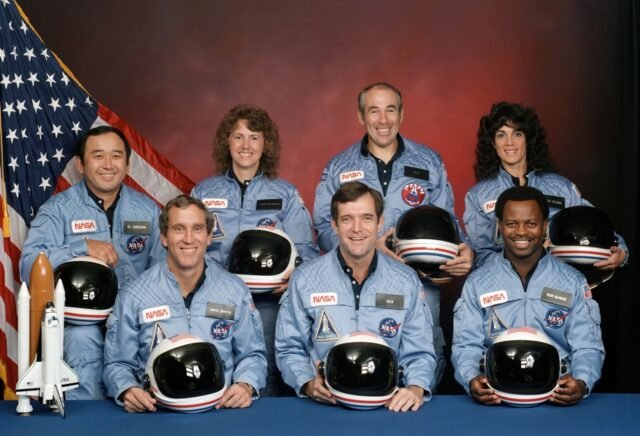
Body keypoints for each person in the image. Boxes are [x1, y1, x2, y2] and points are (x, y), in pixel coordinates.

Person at [313, 82, 473, 386]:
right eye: (374, 111)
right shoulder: (338, 166)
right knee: (363, 365)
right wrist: (368, 247)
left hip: (419, 282)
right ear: (361, 116)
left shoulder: (429, 161)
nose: (383, 120)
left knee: (422, 366)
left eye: (390, 110)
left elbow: (448, 222)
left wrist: (463, 251)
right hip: (355, 283)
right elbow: (323, 227)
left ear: (402, 114)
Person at [19, 125, 165, 399]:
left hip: (133, 321)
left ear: (127, 164)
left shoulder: (147, 210)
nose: (108, 164)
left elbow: (163, 273)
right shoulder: (58, 210)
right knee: (81, 341)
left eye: (116, 156)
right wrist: (82, 247)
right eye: (98, 156)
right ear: (81, 165)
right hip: (80, 323)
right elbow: (29, 266)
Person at [191, 104, 318, 396]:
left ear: (266, 144)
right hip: (215, 301)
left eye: (254, 137)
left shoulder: (285, 193)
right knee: (216, 373)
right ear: (227, 142)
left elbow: (306, 251)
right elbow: (187, 245)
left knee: (269, 375)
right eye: (238, 137)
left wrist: (292, 279)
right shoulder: (204, 193)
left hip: (268, 305)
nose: (245, 145)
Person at [277, 182, 437, 412]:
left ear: (380, 223)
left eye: (367, 218)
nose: (357, 228)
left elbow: (420, 352)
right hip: (325, 407)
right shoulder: (305, 278)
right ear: (334, 225)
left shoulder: (406, 280)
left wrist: (415, 388)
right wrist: (307, 383)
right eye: (347, 219)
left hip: (389, 407)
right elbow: (289, 348)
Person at [103, 195, 267, 412]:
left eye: (197, 229)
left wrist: (246, 384)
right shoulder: (134, 294)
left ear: (209, 236)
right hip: (157, 414)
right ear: (164, 237)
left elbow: (253, 355)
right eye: (179, 229)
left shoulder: (235, 291)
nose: (189, 239)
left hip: (221, 411)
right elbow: (117, 363)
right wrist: (127, 388)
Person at [452, 186, 604, 406]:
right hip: (497, 394)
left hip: (556, 394)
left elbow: (587, 345)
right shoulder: (477, 282)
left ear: (544, 226)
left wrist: (581, 381)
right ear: (500, 226)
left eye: (531, 224)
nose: (521, 232)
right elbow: (466, 345)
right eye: (511, 224)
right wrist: (471, 378)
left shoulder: (572, 281)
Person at [464, 101, 628, 270]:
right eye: (501, 135)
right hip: (503, 282)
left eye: (517, 134)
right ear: (493, 143)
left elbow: (594, 225)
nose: (509, 142)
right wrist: (522, 261)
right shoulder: (479, 195)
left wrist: (621, 251)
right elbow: (480, 255)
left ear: (528, 139)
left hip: (557, 278)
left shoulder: (561, 188)